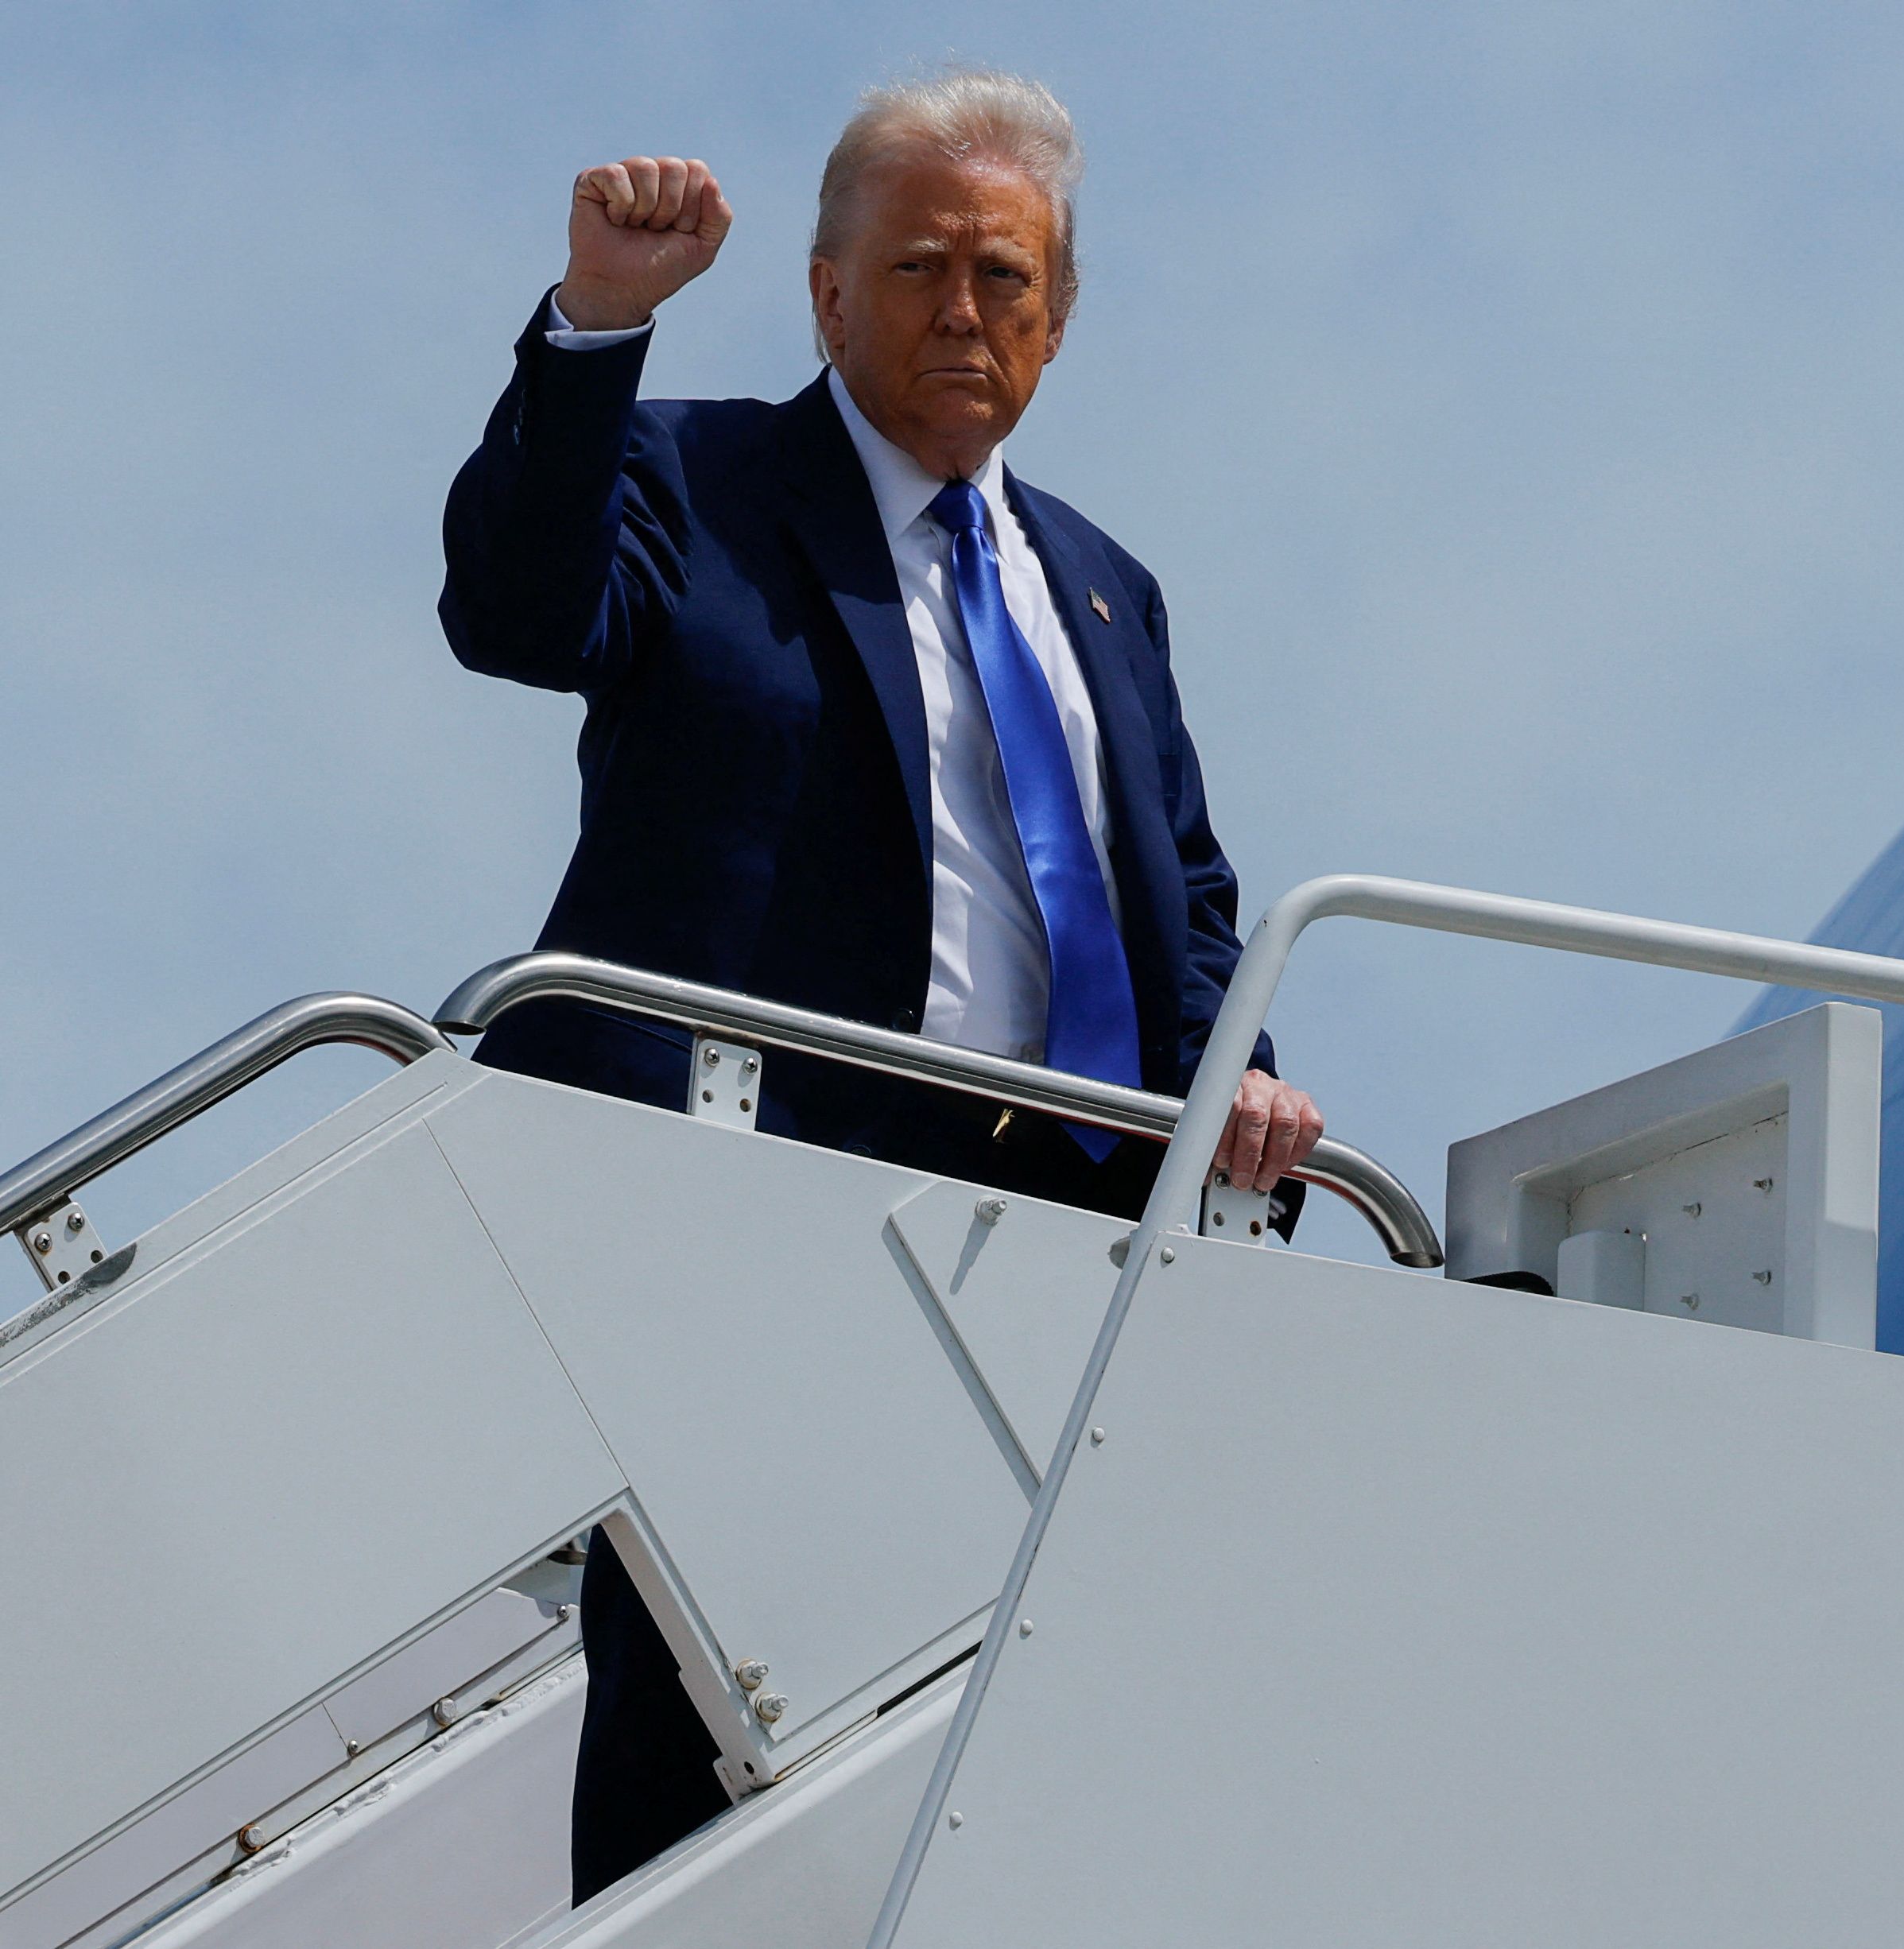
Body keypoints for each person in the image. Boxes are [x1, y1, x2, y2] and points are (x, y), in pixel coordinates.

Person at [439, 68, 1322, 1900]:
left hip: (1058, 1225)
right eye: (919, 268)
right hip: (760, 1185)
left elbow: (1190, 896)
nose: (965, 311)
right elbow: (520, 615)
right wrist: (601, 317)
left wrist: (1240, 1072)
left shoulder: (1104, 587)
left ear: (1060, 321)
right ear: (830, 295)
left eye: (1007, 278)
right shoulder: (691, 473)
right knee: (708, 1688)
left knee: (1036, 1723)